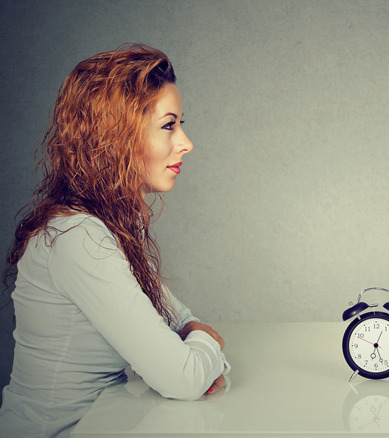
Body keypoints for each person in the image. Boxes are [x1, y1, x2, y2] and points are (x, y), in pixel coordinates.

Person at [0, 45, 229, 438]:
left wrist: (194, 338)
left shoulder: (108, 225)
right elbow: (186, 376)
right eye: (168, 125)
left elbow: (179, 319)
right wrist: (207, 345)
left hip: (110, 422)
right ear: (116, 135)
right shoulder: (78, 237)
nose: (186, 142)